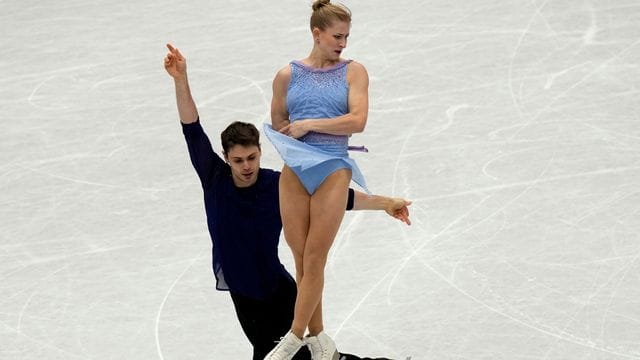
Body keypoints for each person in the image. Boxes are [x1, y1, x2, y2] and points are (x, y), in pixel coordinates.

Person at [164, 43, 410, 360]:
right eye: (238, 160)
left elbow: (338, 199)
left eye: (252, 157)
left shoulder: (276, 184)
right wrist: (180, 80)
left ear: (259, 152)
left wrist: (385, 202)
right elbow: (191, 129)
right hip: (243, 296)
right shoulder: (215, 181)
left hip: (278, 293)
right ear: (226, 158)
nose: (246, 166)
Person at [263, 1, 373, 359]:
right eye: (337, 36)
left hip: (332, 168)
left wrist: (310, 124)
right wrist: (288, 135)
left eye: (346, 37)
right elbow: (279, 120)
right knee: (301, 260)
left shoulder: (353, 72)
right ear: (317, 33)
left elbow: (357, 121)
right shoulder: (286, 75)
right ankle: (320, 338)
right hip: (295, 170)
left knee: (315, 255)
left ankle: (293, 339)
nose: (343, 43)